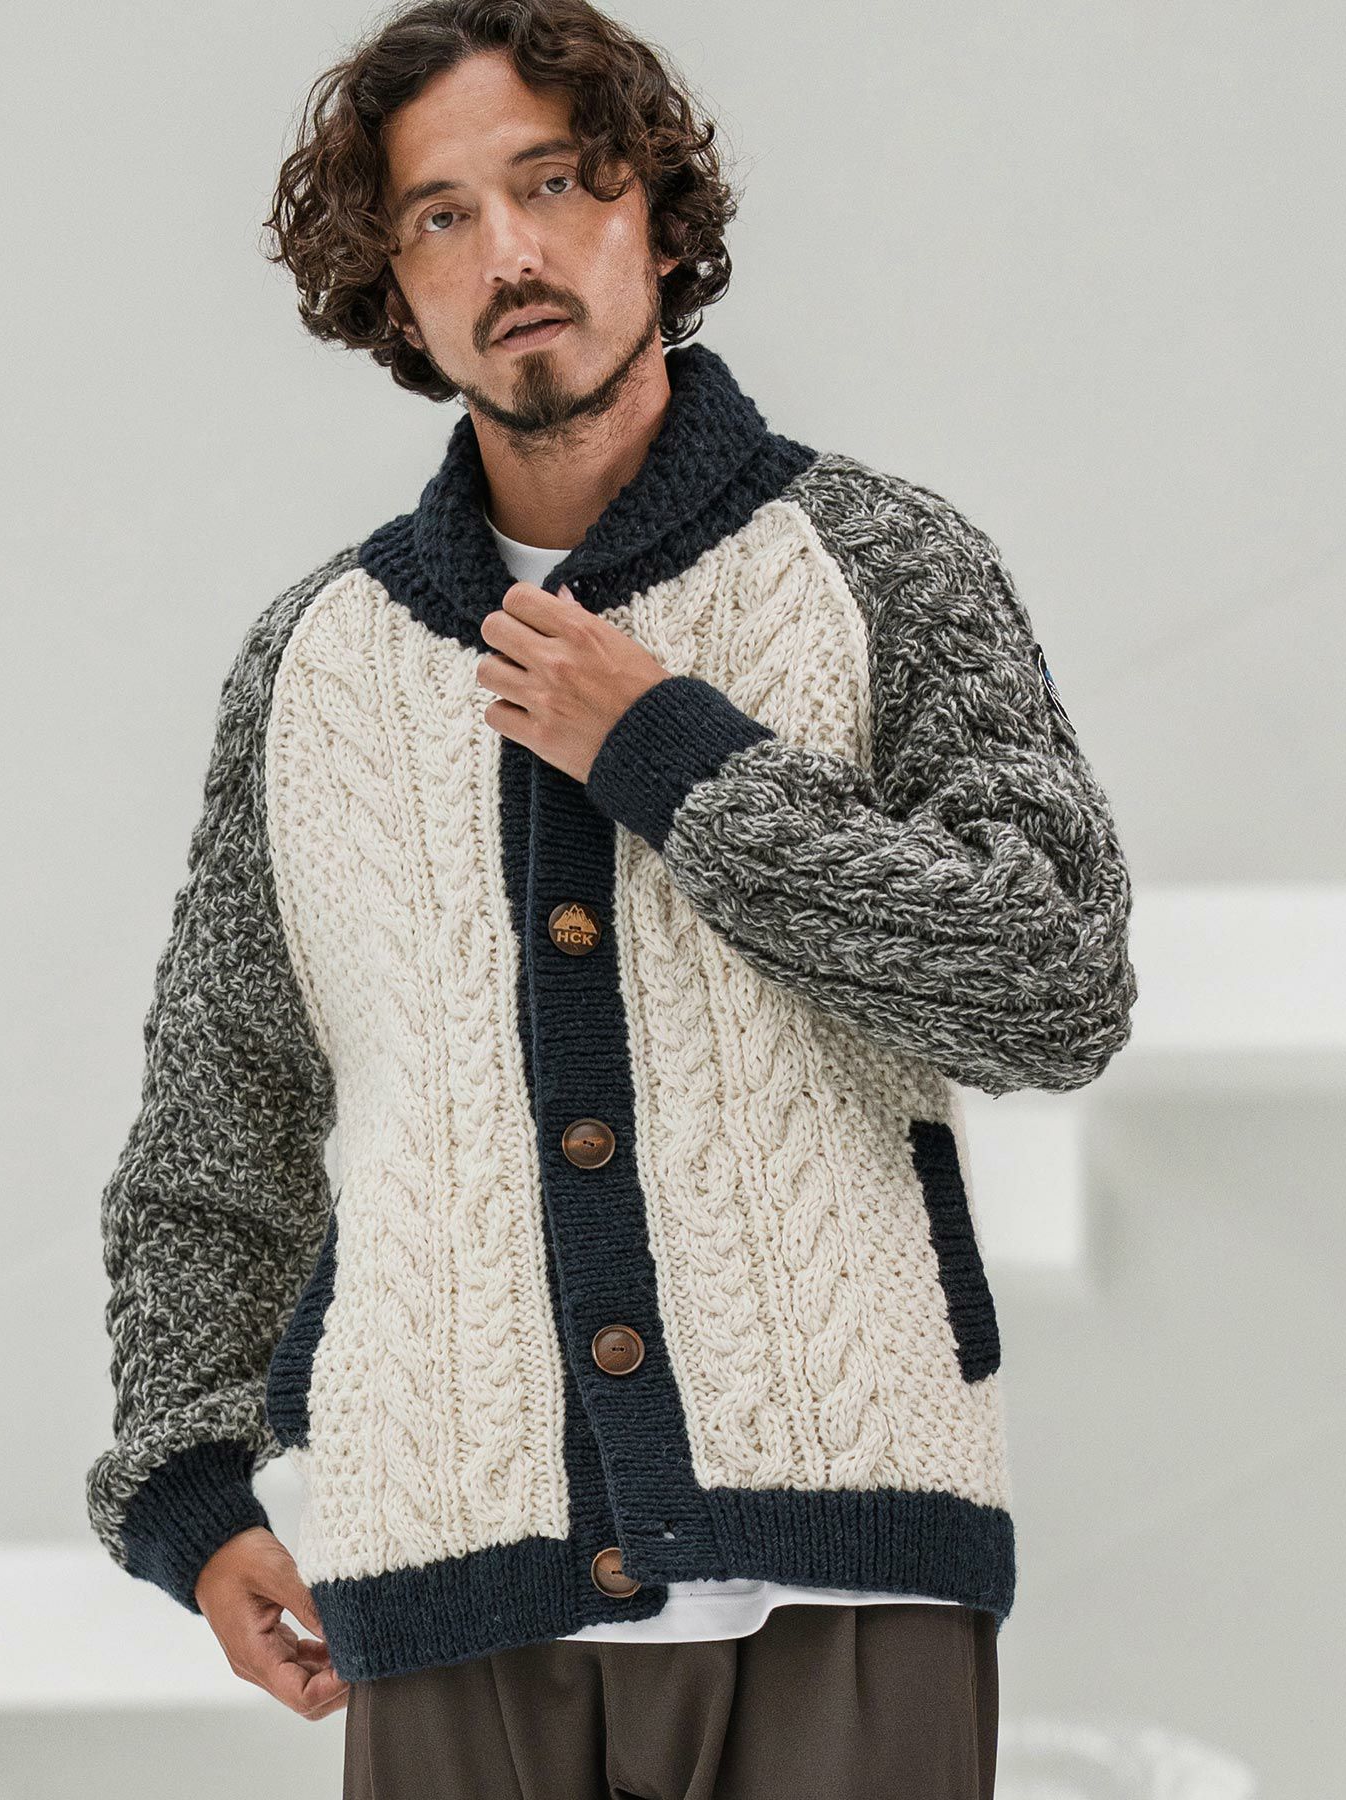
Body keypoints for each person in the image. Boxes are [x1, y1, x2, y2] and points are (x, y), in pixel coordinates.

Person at [85, 3, 1139, 1795]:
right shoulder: (317, 664)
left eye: (556, 182)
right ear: (393, 289)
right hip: (450, 1581)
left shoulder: (880, 565)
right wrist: (191, 1487)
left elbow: (1053, 982)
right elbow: (220, 1114)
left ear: (653, 212)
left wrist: (671, 755)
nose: (510, 251)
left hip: (843, 1565)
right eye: (441, 215)